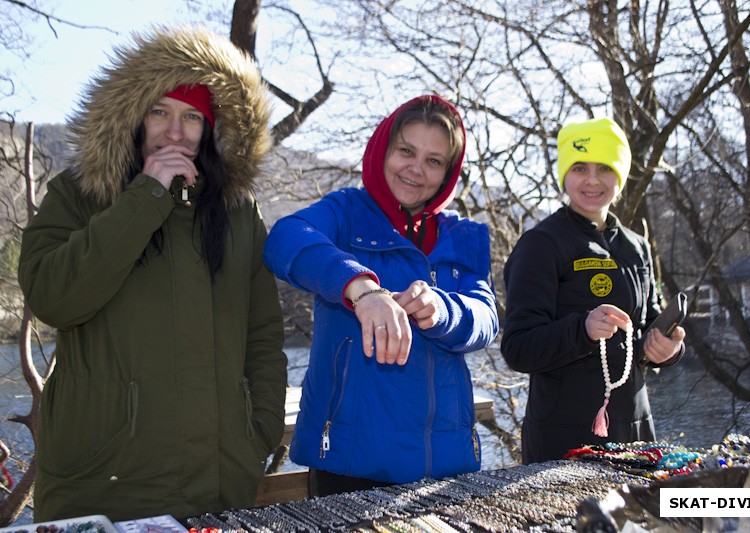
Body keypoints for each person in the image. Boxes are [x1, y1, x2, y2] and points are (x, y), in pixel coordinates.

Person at [17, 27, 288, 521]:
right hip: (107, 483)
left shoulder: (237, 212)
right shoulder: (80, 195)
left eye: (191, 117)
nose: (175, 132)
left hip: (222, 479)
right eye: (159, 111)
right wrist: (145, 196)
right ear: (134, 117)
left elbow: (264, 331)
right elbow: (52, 297)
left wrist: (259, 428)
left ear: (212, 130)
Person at [263, 94, 499, 496]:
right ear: (382, 150)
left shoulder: (463, 235)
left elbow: (485, 318)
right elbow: (284, 239)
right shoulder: (344, 212)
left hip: (446, 462)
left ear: (447, 173)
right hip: (349, 461)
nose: (416, 169)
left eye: (434, 161)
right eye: (406, 151)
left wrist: (444, 309)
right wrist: (362, 288)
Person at [501, 116, 686, 463]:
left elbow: (649, 327)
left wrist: (667, 347)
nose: (592, 180)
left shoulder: (636, 246)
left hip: (635, 430)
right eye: (579, 168)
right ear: (564, 175)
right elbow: (517, 349)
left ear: (620, 174)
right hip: (563, 440)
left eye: (604, 168)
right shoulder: (540, 244)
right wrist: (581, 329)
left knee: (639, 518)